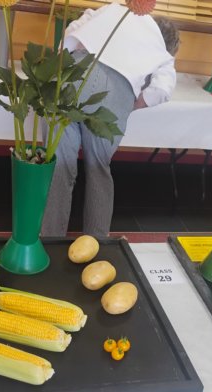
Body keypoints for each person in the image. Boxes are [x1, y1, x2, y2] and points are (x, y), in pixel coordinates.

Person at [41, 2, 180, 237]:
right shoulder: (159, 46)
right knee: (98, 169)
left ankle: (49, 240)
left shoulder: (113, 9)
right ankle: (95, 244)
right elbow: (162, 90)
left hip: (71, 74)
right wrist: (130, 104)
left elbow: (73, 31)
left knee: (58, 166)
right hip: (113, 96)